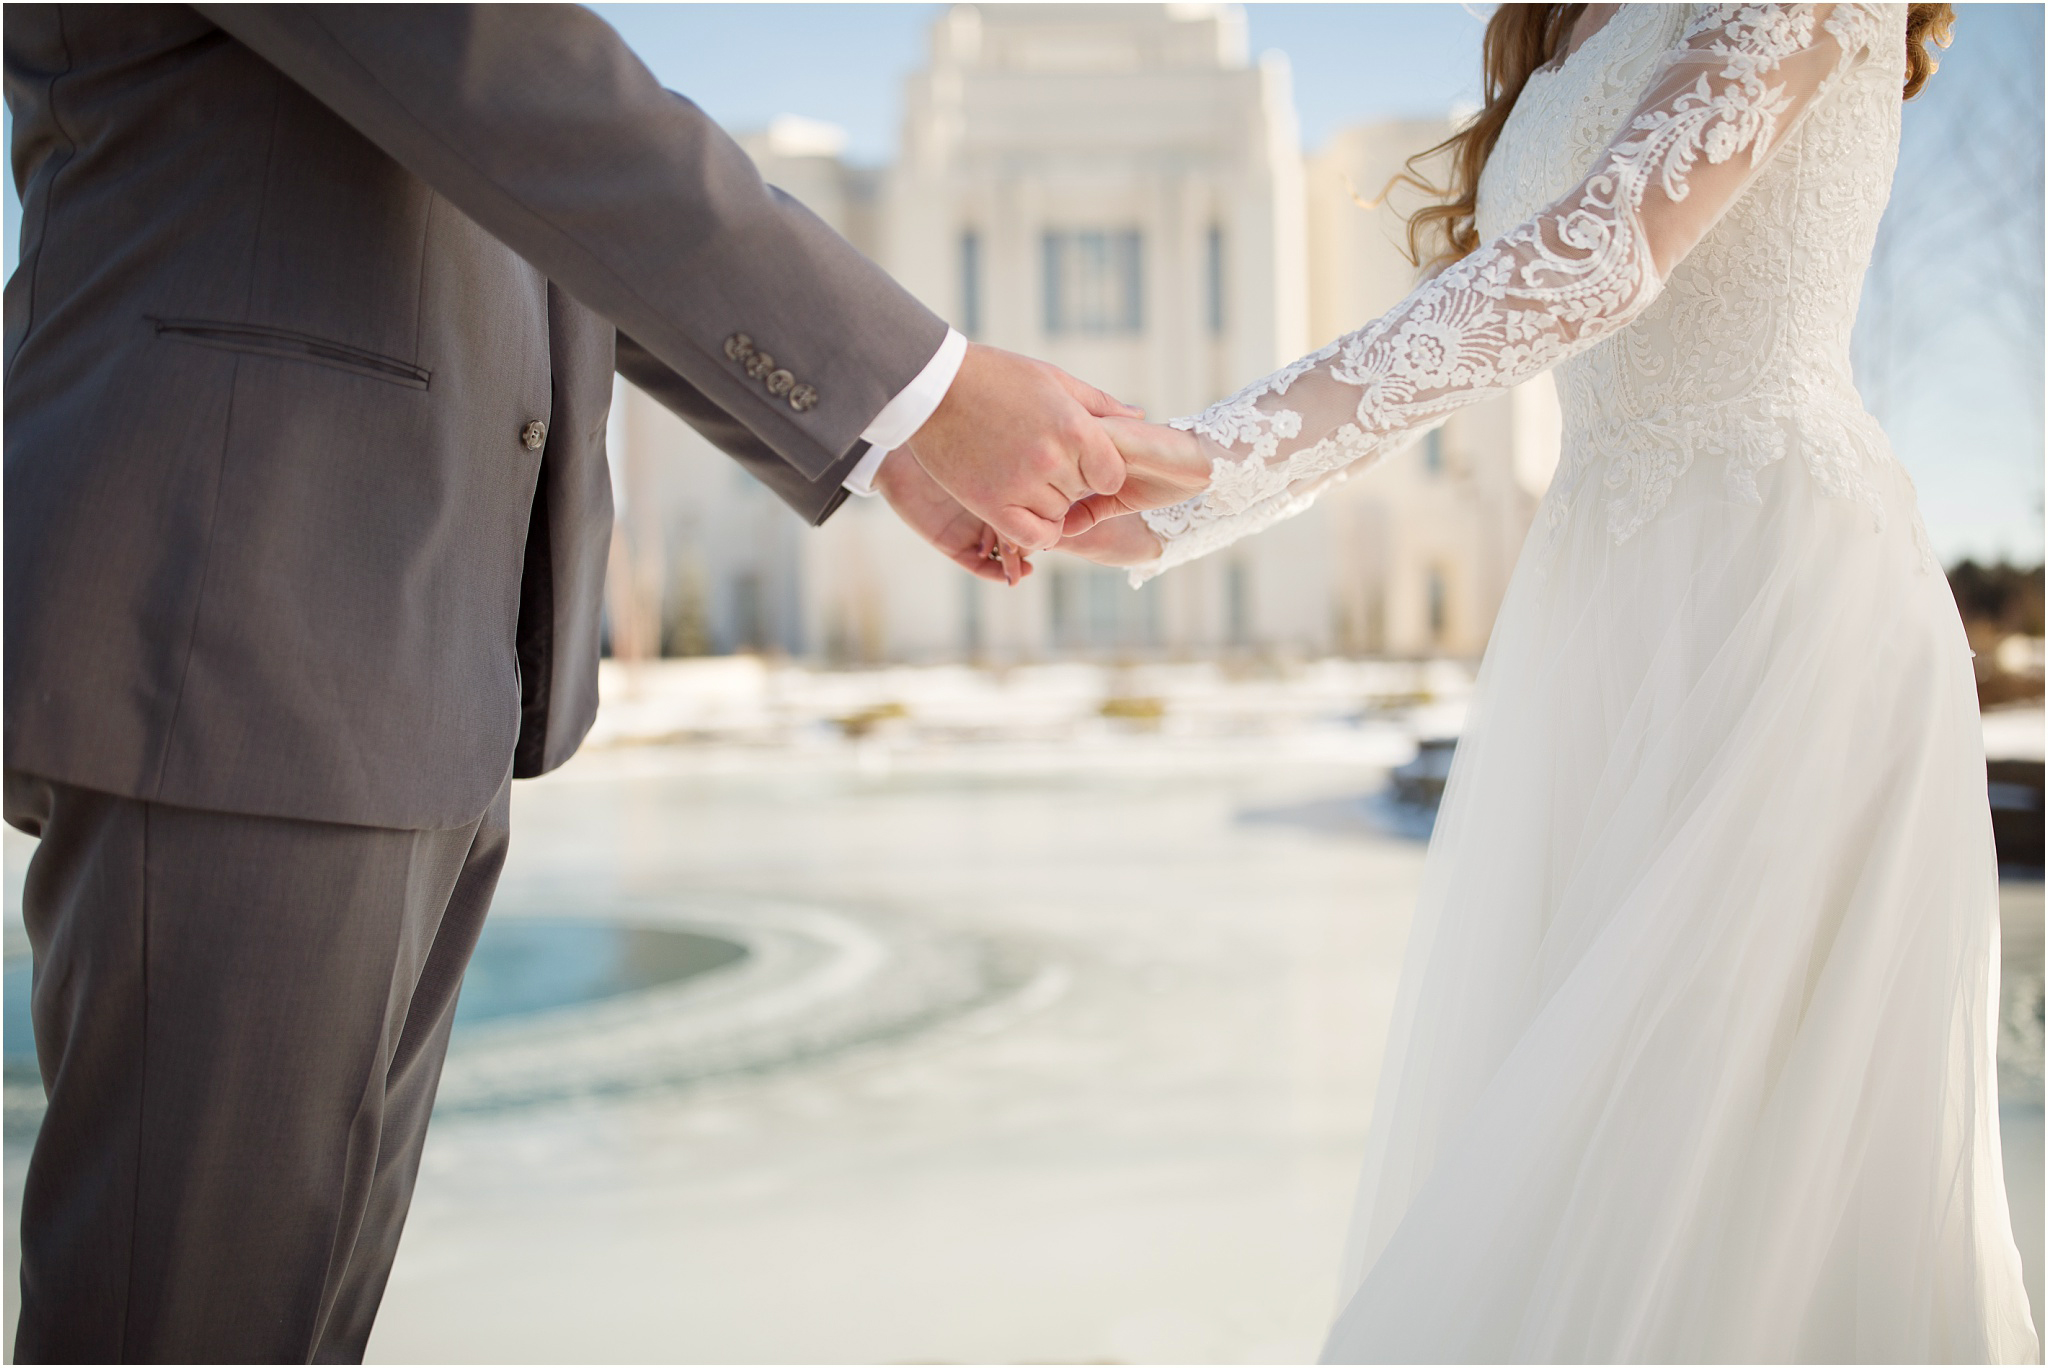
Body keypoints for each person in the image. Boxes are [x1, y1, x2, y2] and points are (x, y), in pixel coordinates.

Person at [1, 5, 1128, 1361]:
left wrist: (891, 443)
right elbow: (496, 71)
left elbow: (517, 173)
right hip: (239, 609)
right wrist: (922, 389)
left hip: (392, 644)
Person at [1059, 3, 2042, 1361]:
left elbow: (1605, 256)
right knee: (1577, 1145)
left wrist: (1223, 460)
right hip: (1600, 610)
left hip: (1779, 602)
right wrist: (1204, 493)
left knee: (1694, 1155)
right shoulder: (1564, 13)